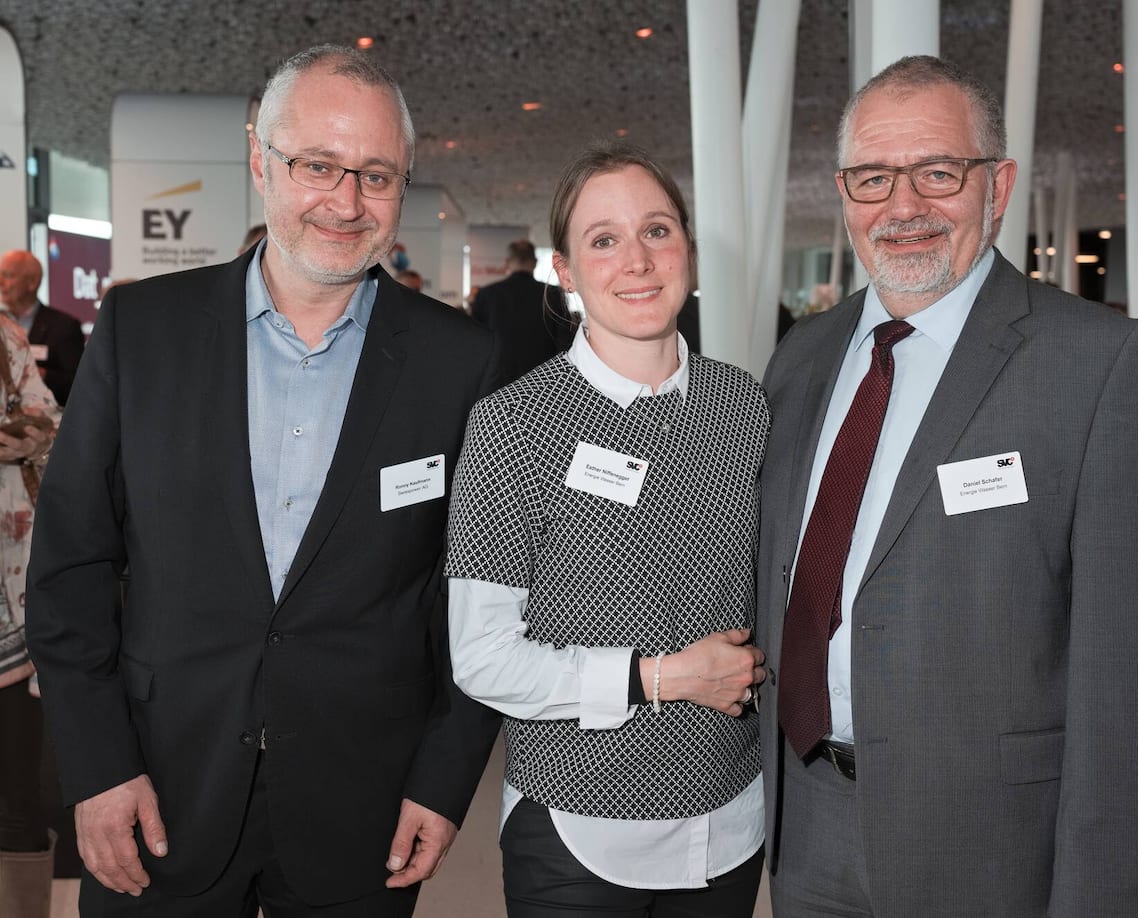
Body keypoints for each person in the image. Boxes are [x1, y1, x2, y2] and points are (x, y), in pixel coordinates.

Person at [26, 44, 502, 917]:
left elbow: (473, 598)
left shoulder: (461, 363)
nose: (346, 202)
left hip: (364, 803)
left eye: (376, 175)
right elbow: (70, 569)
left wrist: (443, 780)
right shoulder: (142, 331)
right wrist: (96, 767)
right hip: (156, 788)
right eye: (317, 165)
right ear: (259, 160)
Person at [757, 55, 1138, 917]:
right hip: (803, 823)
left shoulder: (1097, 363)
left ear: (997, 184)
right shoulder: (802, 355)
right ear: (844, 194)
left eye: (937, 172)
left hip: (992, 846)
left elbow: (1127, 685)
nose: (903, 207)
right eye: (873, 177)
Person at [446, 143, 769, 916]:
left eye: (656, 230)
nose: (637, 260)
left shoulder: (743, 406)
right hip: (578, 835)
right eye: (603, 239)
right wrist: (658, 677)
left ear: (687, 247)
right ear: (563, 269)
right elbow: (482, 657)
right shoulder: (511, 426)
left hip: (730, 819)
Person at [0, 315, 59, 918]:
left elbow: (49, 421)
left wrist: (28, 432)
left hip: (10, 599)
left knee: (16, 789)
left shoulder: (4, 337)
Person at [469, 238, 573, 382]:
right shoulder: (552, 294)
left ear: (507, 262)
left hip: (497, 381)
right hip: (541, 380)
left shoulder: (487, 295)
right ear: (535, 262)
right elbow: (564, 342)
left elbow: (476, 344)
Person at [0, 250, 86, 406]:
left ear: (32, 282)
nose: (1, 282)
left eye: (8, 276)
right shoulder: (2, 322)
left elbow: (80, 385)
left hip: (44, 422)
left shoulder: (64, 326)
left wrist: (40, 374)